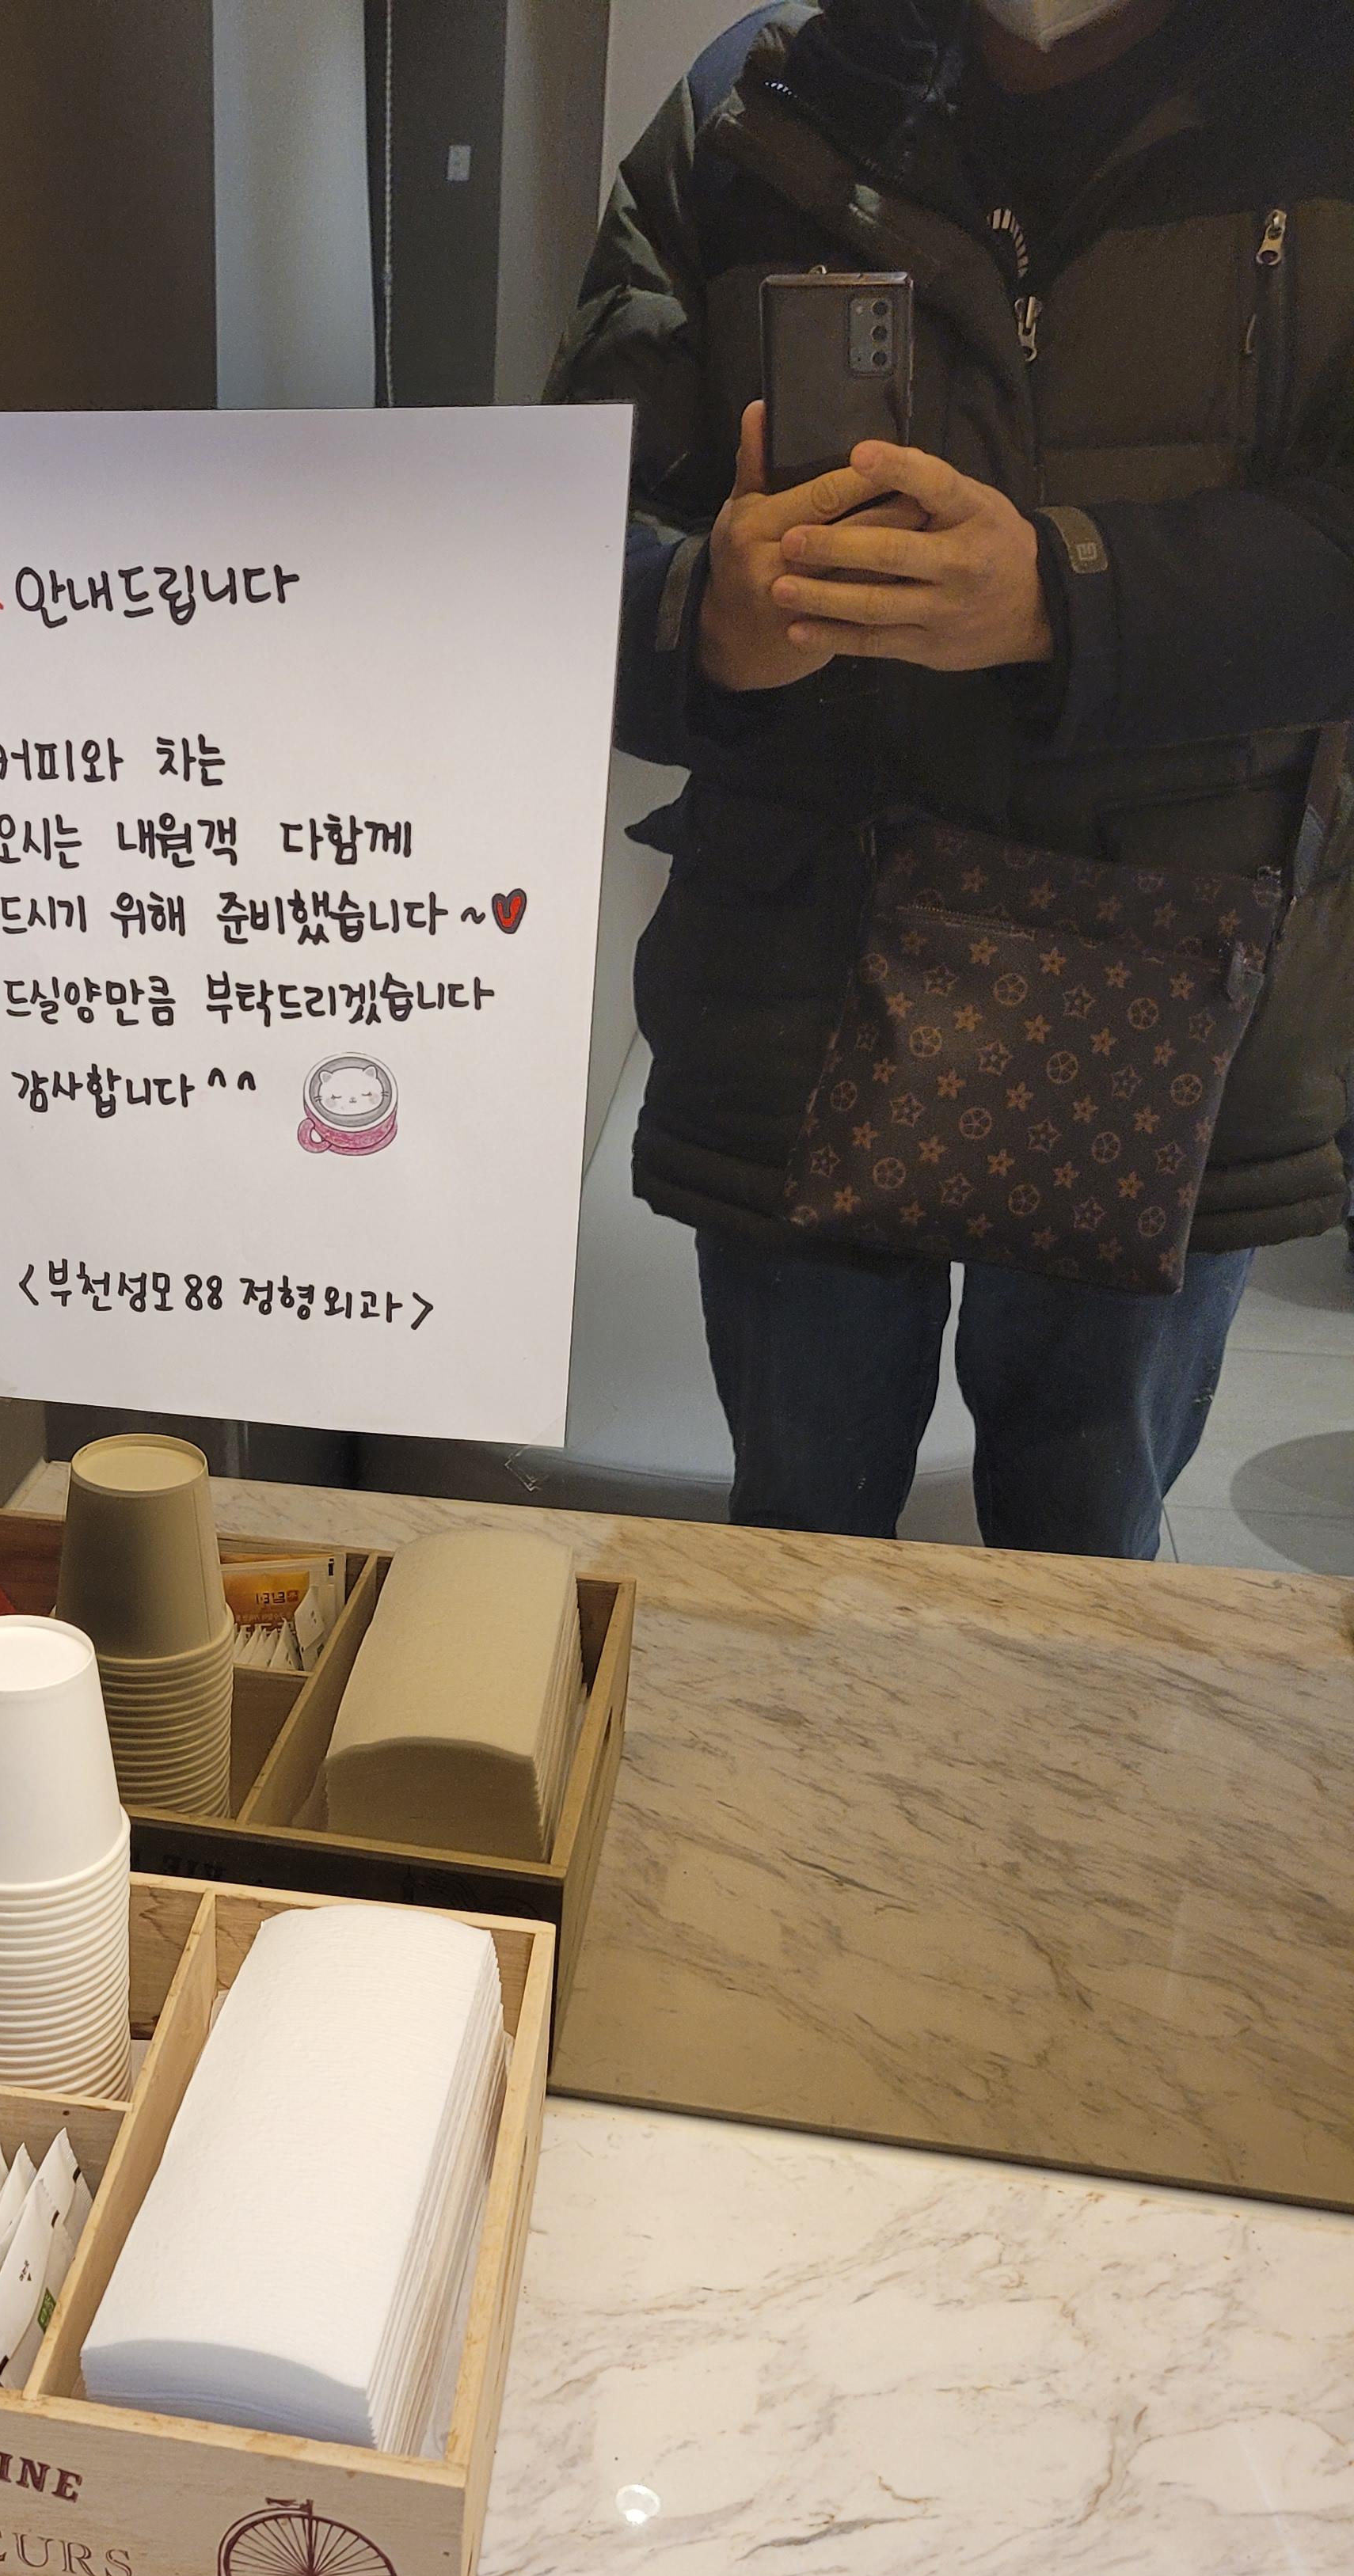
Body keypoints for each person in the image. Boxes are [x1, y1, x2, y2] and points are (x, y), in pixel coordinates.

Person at [550, 0, 1354, 1556]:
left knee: (1088, 1554)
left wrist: (1068, 595)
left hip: (1181, 980)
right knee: (801, 1541)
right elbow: (563, 535)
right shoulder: (760, 96)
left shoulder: (1322, 93)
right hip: (803, 966)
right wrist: (699, 611)